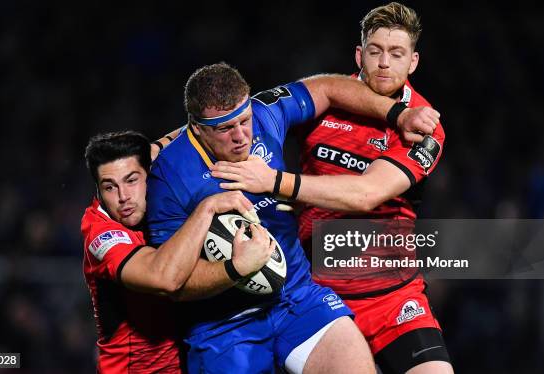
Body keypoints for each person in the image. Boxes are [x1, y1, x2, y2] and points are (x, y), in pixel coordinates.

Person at [147, 62, 439, 373]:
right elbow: (173, 281)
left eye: (244, 121)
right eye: (225, 129)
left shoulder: (264, 113)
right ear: (197, 127)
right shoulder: (168, 177)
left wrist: (397, 113)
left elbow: (327, 87)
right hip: (225, 325)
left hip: (297, 298)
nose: (241, 136)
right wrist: (234, 268)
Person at [210, 3, 453, 373]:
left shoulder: (422, 125)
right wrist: (162, 146)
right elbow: (242, 114)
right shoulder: (323, 100)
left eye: (397, 53)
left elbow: (367, 193)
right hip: (321, 297)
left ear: (413, 62)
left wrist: (275, 183)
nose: (384, 63)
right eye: (375, 51)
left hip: (394, 298)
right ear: (360, 54)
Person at [81, 130, 274, 373]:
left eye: (131, 180)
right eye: (110, 187)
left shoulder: (157, 192)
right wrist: (208, 210)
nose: (123, 197)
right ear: (98, 190)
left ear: (149, 174)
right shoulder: (100, 234)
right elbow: (164, 278)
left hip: (185, 361)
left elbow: (195, 129)